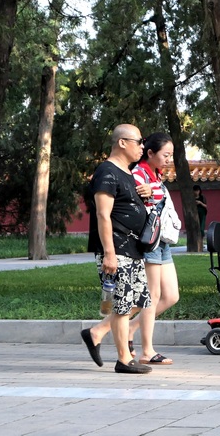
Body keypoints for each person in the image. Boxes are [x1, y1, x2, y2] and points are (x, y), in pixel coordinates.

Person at [80, 124, 152, 374]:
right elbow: (103, 214)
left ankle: (96, 332)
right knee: (122, 305)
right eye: (139, 141)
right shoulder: (107, 172)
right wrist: (109, 253)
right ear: (122, 142)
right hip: (117, 249)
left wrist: (143, 194)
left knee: (139, 300)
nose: (142, 147)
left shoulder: (127, 173)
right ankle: (123, 359)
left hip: (133, 248)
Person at [129, 133, 181, 365]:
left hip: (162, 240)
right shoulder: (138, 173)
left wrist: (153, 190)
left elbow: (156, 195)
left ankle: (129, 327)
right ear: (150, 153)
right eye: (165, 155)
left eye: (171, 155)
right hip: (149, 241)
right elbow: (139, 199)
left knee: (171, 296)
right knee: (152, 295)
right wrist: (151, 190)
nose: (169, 159)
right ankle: (147, 351)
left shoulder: (155, 175)